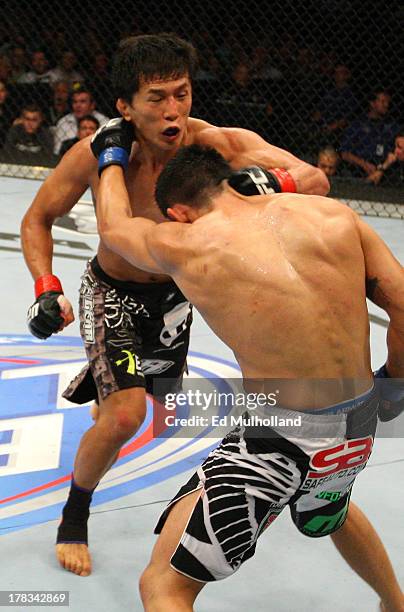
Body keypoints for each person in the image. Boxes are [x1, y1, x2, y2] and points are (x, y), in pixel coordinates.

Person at [20, 33, 329, 579]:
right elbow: (38, 217)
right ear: (124, 107)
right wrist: (46, 285)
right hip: (111, 291)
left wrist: (264, 181)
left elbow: (315, 179)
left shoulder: (214, 144)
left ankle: (110, 390)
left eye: (181, 94)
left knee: (151, 409)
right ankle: (73, 516)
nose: (173, 111)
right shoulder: (99, 154)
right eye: (156, 98)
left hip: (175, 297)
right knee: (125, 416)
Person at [93, 140, 404, 611]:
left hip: (279, 439)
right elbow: (401, 306)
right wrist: (392, 389)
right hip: (358, 426)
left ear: (178, 212)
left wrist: (111, 154)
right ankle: (394, 604)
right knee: (329, 509)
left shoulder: (185, 242)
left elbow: (115, 228)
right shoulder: (332, 216)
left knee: (162, 585)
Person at [340, 88, 399, 183]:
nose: (386, 105)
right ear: (372, 103)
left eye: (388, 102)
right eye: (383, 101)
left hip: (383, 170)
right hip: (357, 170)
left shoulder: (391, 126)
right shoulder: (358, 124)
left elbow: (395, 152)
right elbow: (345, 153)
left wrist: (381, 168)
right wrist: (364, 164)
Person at [53, 85, 109, 154]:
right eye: (75, 102)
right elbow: (57, 151)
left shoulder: (105, 123)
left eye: (82, 102)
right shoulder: (63, 122)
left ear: (92, 105)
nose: (78, 105)